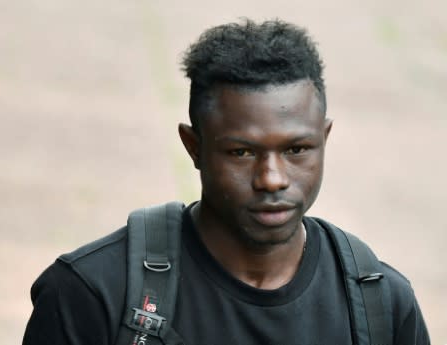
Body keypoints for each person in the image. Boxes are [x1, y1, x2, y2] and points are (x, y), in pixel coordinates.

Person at [22, 18, 430, 345]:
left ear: (324, 139)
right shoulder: (93, 294)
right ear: (194, 146)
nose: (272, 178)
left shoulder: (382, 305)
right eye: (242, 152)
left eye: (297, 150)